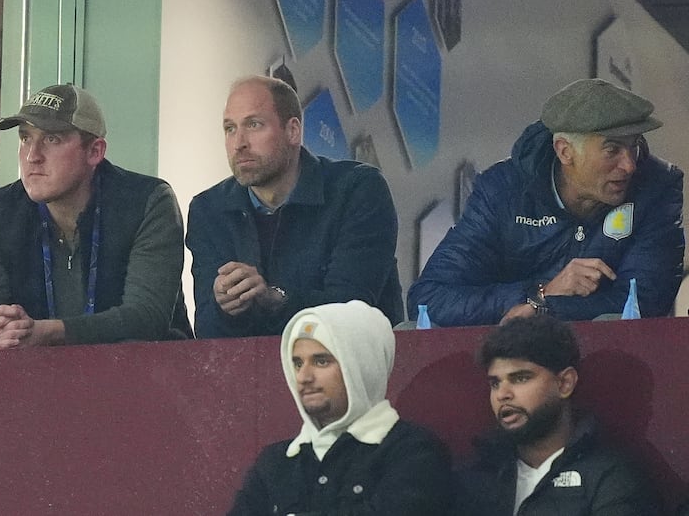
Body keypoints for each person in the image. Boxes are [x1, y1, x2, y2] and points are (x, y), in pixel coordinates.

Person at [408, 78, 684, 326]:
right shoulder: (503, 191)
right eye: (612, 150)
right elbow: (429, 301)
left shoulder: (657, 186)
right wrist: (542, 292)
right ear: (565, 151)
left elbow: (641, 305)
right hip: (508, 363)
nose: (629, 165)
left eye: (634, 146)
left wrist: (542, 309)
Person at [0, 84, 192, 349]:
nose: (32, 156)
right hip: (36, 382)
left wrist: (49, 333)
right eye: (25, 138)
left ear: (95, 152)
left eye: (51, 139)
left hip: (146, 377)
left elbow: (146, 319)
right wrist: (0, 338)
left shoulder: (146, 201)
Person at [186, 75, 403, 339]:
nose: (239, 143)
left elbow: (351, 308)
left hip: (349, 371)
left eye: (254, 125)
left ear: (293, 131)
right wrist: (226, 309)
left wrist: (274, 299)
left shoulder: (357, 190)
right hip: (246, 374)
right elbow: (206, 334)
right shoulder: (209, 210)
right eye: (230, 128)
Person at [228, 300, 452, 514]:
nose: (304, 377)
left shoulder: (413, 452)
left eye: (321, 361)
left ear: (361, 365)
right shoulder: (275, 462)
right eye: (297, 363)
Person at [456, 315, 661, 515]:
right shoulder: (474, 476)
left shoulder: (610, 477)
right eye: (495, 383)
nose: (503, 394)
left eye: (520, 378)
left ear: (564, 383)